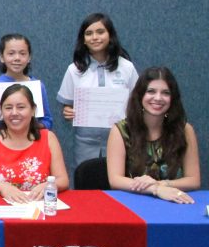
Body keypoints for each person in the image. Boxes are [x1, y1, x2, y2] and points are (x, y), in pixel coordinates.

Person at [107, 67, 200, 204]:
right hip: (132, 204)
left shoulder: (185, 130)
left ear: (172, 98)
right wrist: (155, 189)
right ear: (140, 95)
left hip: (174, 202)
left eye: (165, 93)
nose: (158, 98)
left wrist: (162, 185)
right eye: (151, 91)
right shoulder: (121, 130)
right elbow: (115, 180)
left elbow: (194, 180)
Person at [57, 13, 137, 168]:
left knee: (119, 180)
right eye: (89, 33)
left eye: (100, 32)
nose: (94, 37)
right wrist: (68, 112)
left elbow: (138, 102)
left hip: (121, 139)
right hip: (86, 142)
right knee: (86, 180)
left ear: (110, 35)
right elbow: (67, 106)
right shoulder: (74, 69)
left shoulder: (126, 67)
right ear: (83, 39)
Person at [0, 84, 69, 203]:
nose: (14, 113)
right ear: (1, 111)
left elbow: (63, 180)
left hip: (37, 206)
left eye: (21, 107)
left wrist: (49, 185)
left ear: (33, 110)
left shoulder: (48, 138)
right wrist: (1, 186)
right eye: (8, 108)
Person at [0, 33, 53, 135]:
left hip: (31, 140)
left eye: (22, 53)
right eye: (11, 53)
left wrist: (28, 126)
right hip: (1, 141)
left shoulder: (39, 87)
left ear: (29, 57)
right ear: (2, 57)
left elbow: (47, 122)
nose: (17, 58)